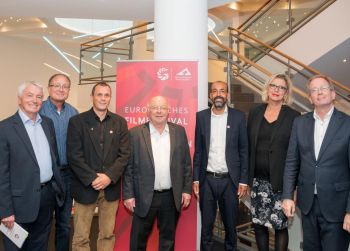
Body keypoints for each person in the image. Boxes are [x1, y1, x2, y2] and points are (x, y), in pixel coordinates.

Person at [282, 75, 350, 251]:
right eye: (314, 90)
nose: (319, 92)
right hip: (307, 205)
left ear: (333, 94)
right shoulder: (299, 123)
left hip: (338, 206)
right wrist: (288, 195)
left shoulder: (347, 123)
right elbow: (292, 161)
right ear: (310, 98)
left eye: (323, 88)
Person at [0, 81, 65, 251]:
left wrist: (57, 190)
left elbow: (54, 160)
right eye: (30, 95)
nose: (35, 100)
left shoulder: (47, 124)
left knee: (40, 246)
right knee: (16, 248)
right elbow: (1, 174)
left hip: (45, 199)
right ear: (19, 99)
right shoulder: (4, 128)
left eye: (39, 97)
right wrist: (5, 210)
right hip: (18, 205)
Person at [123, 96, 192, 251]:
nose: (159, 111)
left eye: (162, 108)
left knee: (168, 241)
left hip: (170, 196)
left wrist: (187, 190)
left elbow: (186, 164)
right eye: (155, 107)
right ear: (148, 111)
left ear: (169, 111)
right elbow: (128, 167)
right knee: (138, 240)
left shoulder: (179, 132)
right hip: (144, 196)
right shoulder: (135, 133)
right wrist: (128, 194)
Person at [67, 82, 130, 251]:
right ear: (92, 97)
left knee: (107, 235)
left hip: (111, 188)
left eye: (106, 95)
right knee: (81, 237)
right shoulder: (77, 122)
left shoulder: (120, 122)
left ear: (110, 98)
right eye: (99, 94)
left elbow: (124, 155)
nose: (103, 98)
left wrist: (108, 177)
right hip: (85, 186)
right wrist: (94, 178)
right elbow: (74, 156)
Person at [193, 81, 249, 251]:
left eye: (222, 91)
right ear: (210, 95)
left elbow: (244, 150)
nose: (218, 94)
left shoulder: (238, 117)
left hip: (230, 181)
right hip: (207, 180)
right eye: (215, 91)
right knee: (207, 226)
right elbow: (199, 150)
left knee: (230, 226)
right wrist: (196, 178)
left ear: (228, 95)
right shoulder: (201, 117)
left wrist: (243, 180)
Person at [247, 74, 300, 251]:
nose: (277, 90)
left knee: (280, 227)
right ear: (267, 88)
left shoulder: (294, 116)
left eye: (281, 87)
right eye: (273, 86)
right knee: (259, 224)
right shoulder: (255, 112)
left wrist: (292, 190)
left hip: (280, 183)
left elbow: (296, 153)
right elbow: (248, 146)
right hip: (257, 182)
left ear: (286, 93)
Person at [40, 73, 78, 251]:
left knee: (64, 224)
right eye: (57, 85)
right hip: (46, 176)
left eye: (65, 86)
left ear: (69, 90)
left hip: (68, 174)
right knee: (43, 223)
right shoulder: (38, 110)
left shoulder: (73, 113)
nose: (61, 89)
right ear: (49, 88)